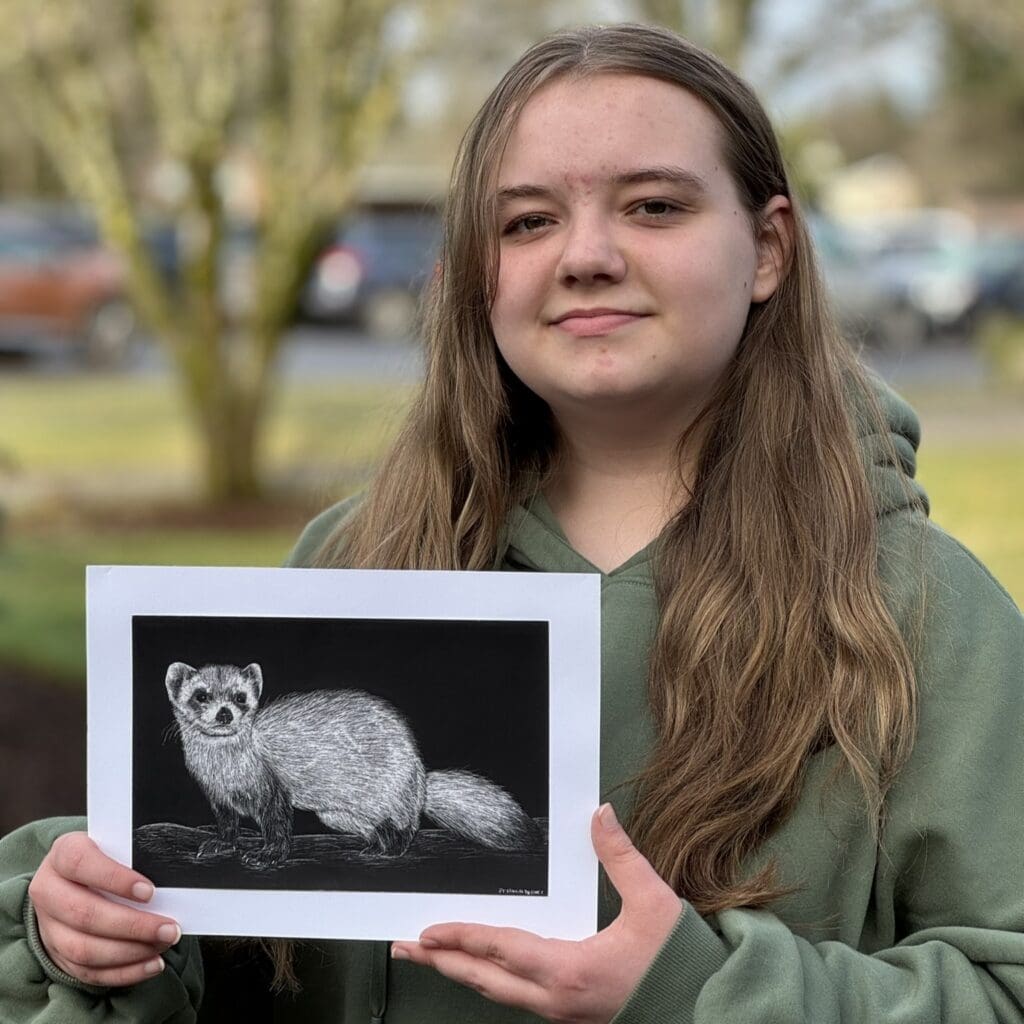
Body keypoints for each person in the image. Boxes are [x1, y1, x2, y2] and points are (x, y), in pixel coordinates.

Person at [2, 21, 1022, 1024]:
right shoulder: (356, 561)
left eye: (654, 206)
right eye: (526, 221)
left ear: (765, 249)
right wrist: (105, 936)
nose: (584, 256)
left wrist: (694, 990)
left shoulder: (922, 611)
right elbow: (251, 970)